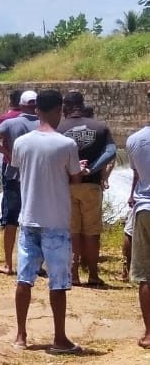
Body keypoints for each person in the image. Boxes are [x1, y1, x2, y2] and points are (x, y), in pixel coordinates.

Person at [9, 89, 83, 354]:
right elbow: (75, 179)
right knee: (58, 282)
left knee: (24, 279)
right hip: (56, 220)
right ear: (59, 110)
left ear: (36, 109)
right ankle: (60, 338)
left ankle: (20, 335)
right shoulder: (66, 144)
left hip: (29, 218)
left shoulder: (22, 143)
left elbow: (20, 172)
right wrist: (80, 170)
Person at [58, 90, 116, 287]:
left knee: (72, 231)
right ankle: (92, 275)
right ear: (82, 105)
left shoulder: (59, 128)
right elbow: (111, 151)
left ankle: (73, 275)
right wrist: (93, 168)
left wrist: (72, 170)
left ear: (65, 106)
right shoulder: (99, 126)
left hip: (67, 185)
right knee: (91, 232)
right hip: (91, 184)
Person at [0, 90, 39, 275]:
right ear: (36, 105)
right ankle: (37, 264)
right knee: (37, 219)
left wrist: (7, 153)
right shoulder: (44, 124)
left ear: (21, 105)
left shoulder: (10, 122)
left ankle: (8, 263)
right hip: (38, 176)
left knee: (11, 219)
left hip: (14, 174)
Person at [125, 93, 150, 348]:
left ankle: (149, 333)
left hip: (145, 209)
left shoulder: (134, 140)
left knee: (145, 275)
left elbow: (138, 175)